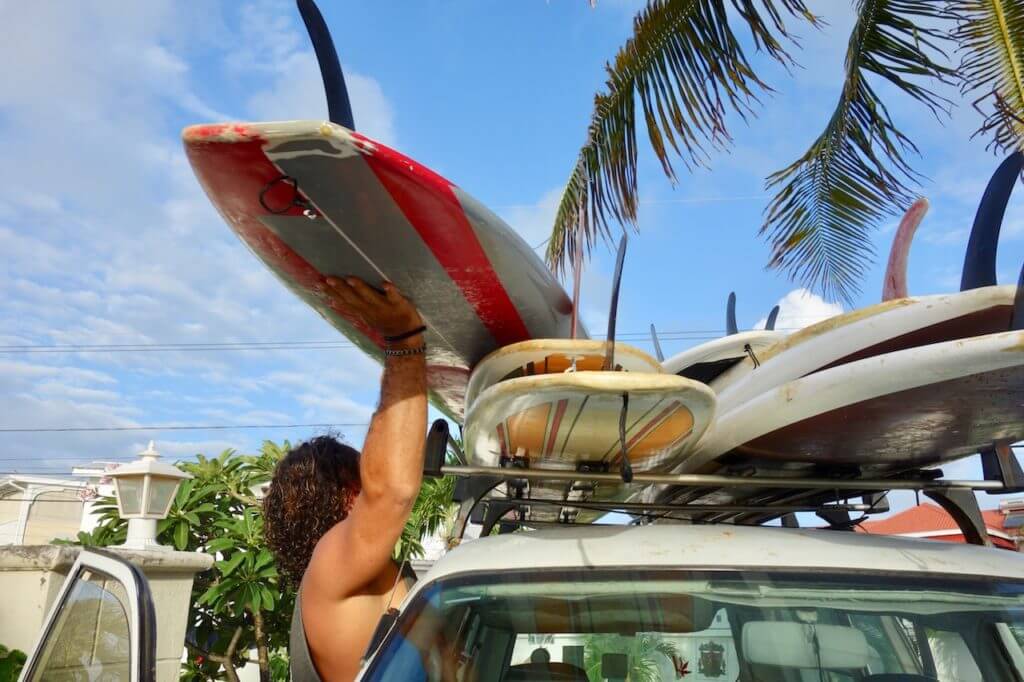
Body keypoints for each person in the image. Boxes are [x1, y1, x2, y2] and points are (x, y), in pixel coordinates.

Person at [263, 275, 428, 682]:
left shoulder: (342, 579)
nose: (369, 486)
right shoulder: (331, 565)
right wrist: (403, 341)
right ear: (345, 494)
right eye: (362, 479)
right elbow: (391, 490)